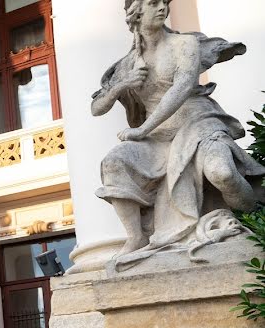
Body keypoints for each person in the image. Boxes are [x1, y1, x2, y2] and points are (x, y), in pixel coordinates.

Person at [92, 0, 264, 264]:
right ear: (135, 12)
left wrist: (141, 129)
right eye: (153, 3)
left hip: (199, 122)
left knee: (223, 173)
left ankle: (255, 220)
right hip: (157, 140)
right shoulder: (128, 64)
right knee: (115, 161)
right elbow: (97, 108)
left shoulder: (185, 44)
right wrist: (120, 86)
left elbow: (181, 88)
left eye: (164, 2)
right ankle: (136, 237)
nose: (162, 7)